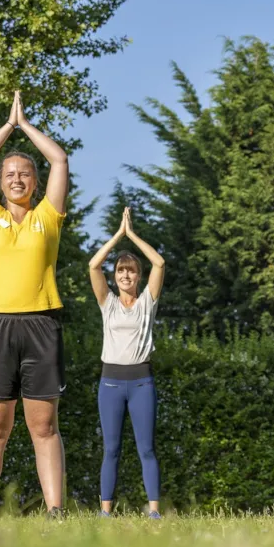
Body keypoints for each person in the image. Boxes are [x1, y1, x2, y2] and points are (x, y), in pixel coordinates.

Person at [0, 91, 69, 518]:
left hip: (41, 325)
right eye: (9, 173)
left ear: (35, 182)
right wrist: (8, 126)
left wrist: (26, 126)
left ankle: (56, 510)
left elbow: (59, 159)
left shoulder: (48, 216)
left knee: (43, 425)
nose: (16, 179)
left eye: (24, 173)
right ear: (0, 181)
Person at [88, 207, 165, 519]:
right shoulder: (107, 303)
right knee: (111, 449)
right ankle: (105, 512)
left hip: (142, 383)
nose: (125, 275)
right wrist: (117, 235)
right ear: (115, 276)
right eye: (120, 270)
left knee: (146, 448)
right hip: (110, 383)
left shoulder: (147, 303)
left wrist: (132, 235)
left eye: (131, 271)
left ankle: (154, 512)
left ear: (138, 276)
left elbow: (159, 262)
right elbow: (93, 265)